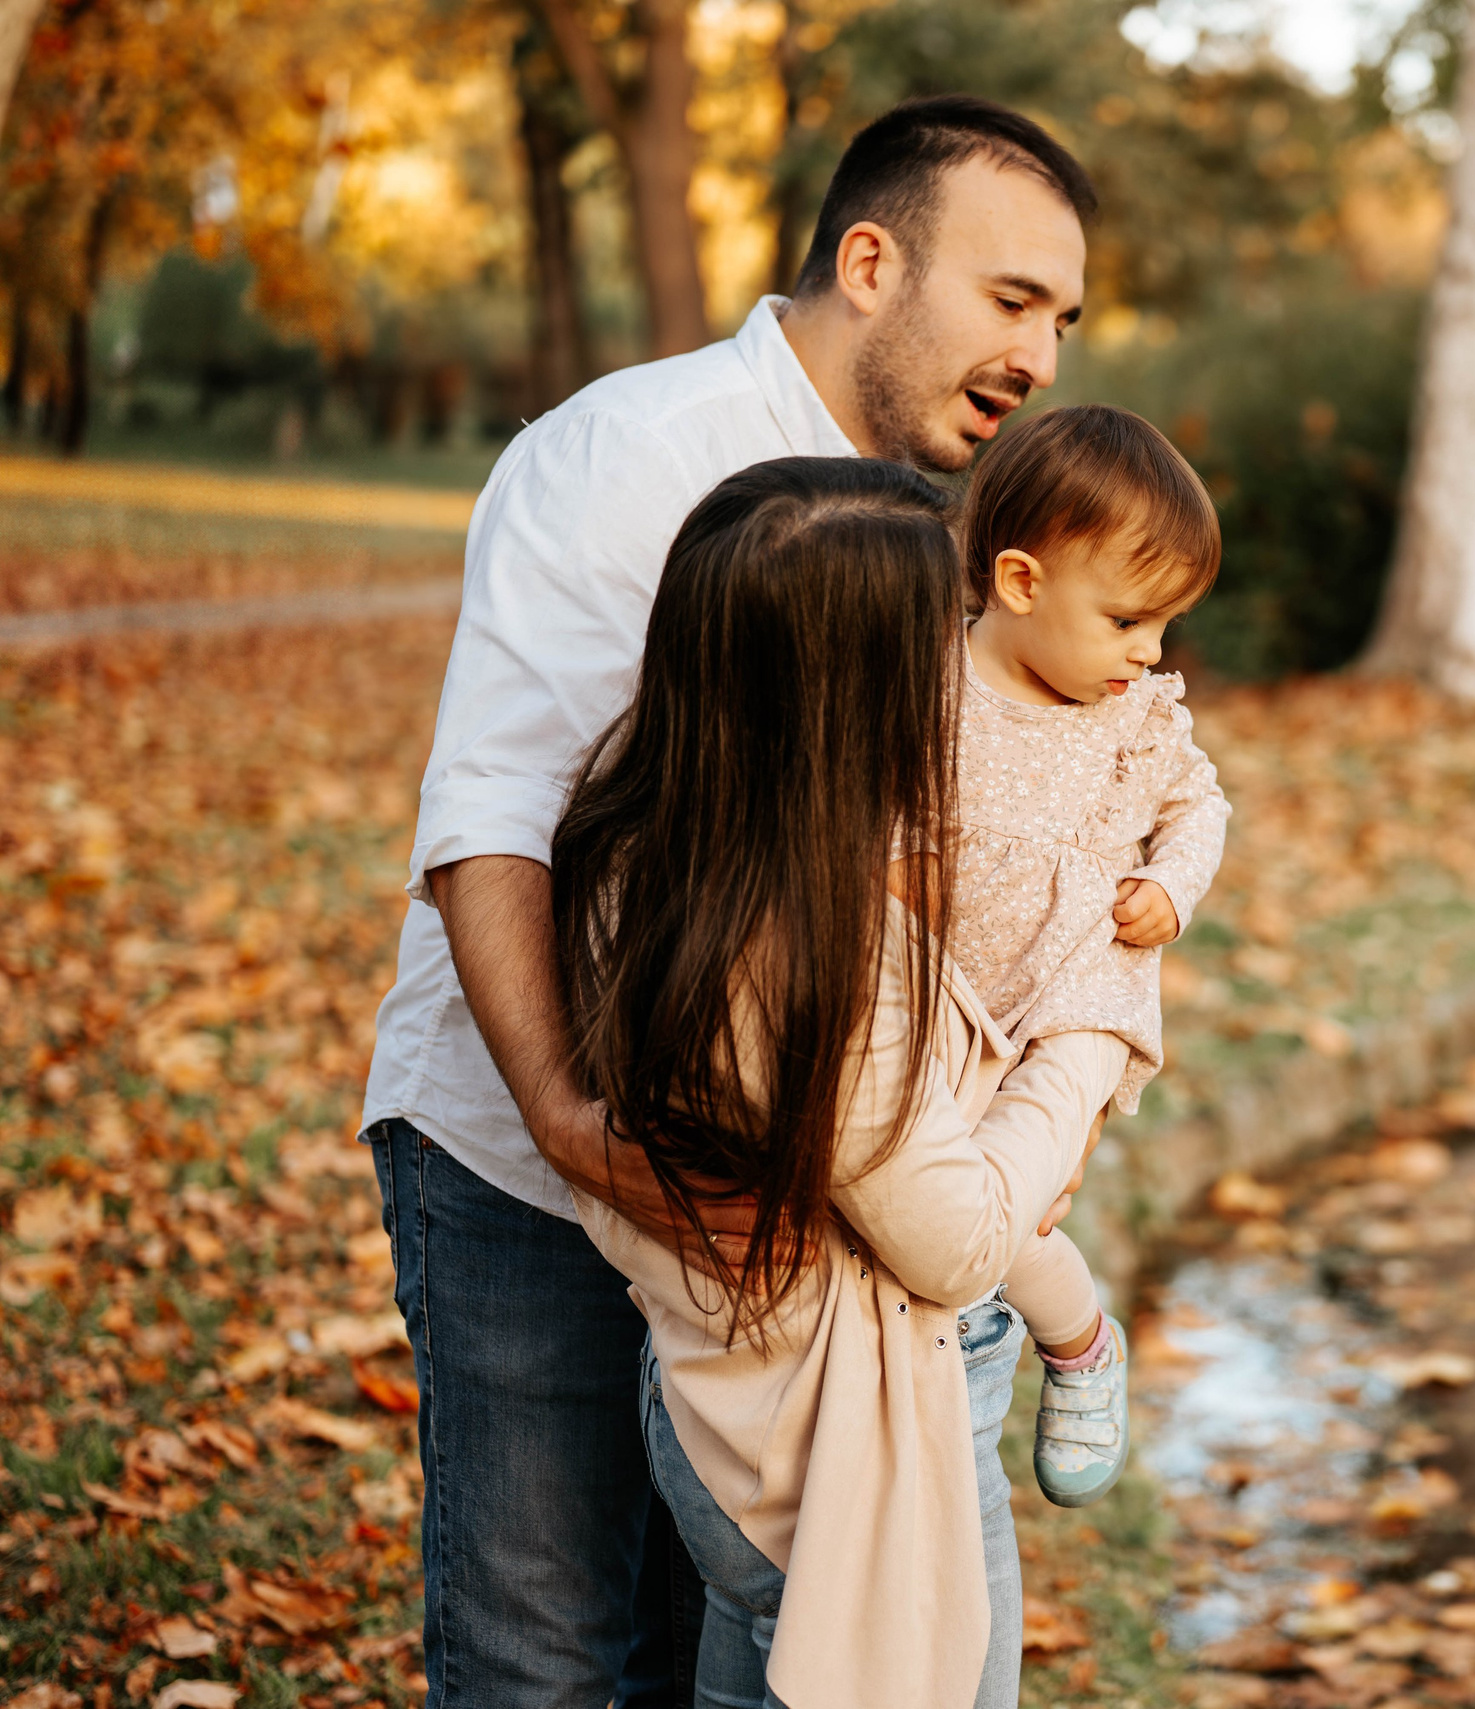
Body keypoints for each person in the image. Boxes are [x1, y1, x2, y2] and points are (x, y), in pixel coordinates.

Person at [359, 96, 1095, 1707]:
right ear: (873, 261)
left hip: (801, 1219)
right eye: (1014, 300)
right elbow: (491, 815)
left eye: (1066, 320)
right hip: (536, 1167)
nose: (1044, 359)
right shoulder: (624, 457)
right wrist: (570, 1123)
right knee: (545, 1657)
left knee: (737, 1643)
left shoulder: (951, 525)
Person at [554, 456, 1126, 1709]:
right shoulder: (815, 959)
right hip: (832, 1429)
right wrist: (1086, 1039)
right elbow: (960, 1242)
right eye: (941, 644)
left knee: (750, 1664)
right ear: (855, 697)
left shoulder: (635, 838)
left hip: (717, 1383)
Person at [942, 404, 1228, 1507]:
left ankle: (1068, 1352)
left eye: (1164, 625)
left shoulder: (1132, 713)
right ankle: (1081, 1334)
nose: (1150, 652)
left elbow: (1199, 807)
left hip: (1080, 992)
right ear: (1019, 581)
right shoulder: (929, 686)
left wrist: (1167, 885)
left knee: (999, 1202)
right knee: (955, 1198)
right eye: (1127, 620)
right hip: (956, 995)